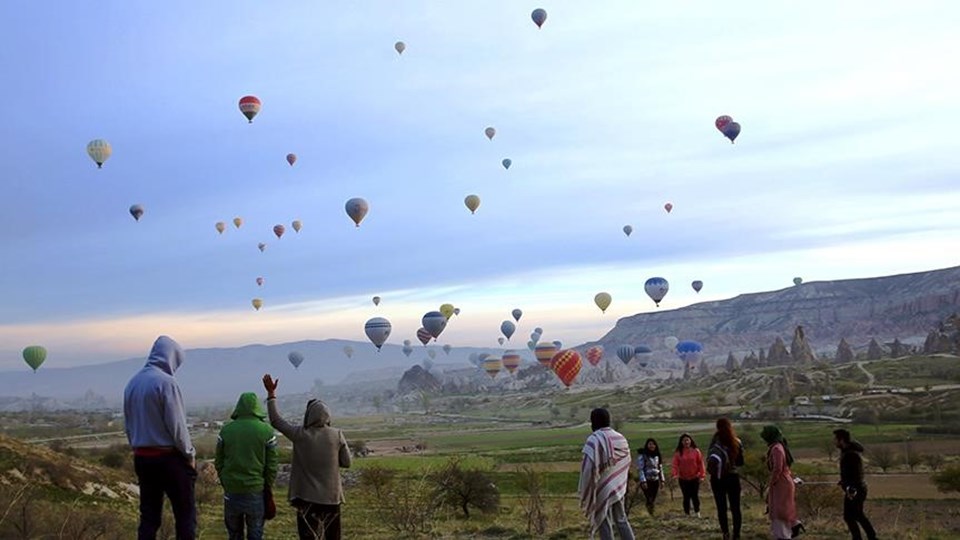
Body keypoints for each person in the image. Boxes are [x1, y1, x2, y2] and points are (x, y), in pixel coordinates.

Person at [123, 336, 196, 540]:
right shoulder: (166, 383)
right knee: (185, 516)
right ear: (171, 358)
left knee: (149, 517)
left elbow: (128, 425)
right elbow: (177, 426)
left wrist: (137, 448)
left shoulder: (133, 383)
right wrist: (189, 455)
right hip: (169, 459)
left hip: (143, 458)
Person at [262, 374, 351, 540]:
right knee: (333, 536)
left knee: (308, 535)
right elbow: (347, 462)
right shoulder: (337, 435)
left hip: (306, 498)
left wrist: (271, 394)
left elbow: (275, 421)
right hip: (331, 498)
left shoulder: (300, 434)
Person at [215, 392, 279, 540]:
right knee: (255, 532)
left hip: (231, 490)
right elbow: (272, 465)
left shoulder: (226, 430)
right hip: (255, 489)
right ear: (257, 408)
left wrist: (225, 481)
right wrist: (267, 486)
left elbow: (219, 462)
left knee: (234, 533)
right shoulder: (266, 431)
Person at [578, 408, 635, 540]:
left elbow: (588, 468)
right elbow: (626, 460)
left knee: (603, 520)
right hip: (619, 486)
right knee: (621, 519)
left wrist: (586, 487)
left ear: (593, 422)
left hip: (601, 487)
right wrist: (619, 479)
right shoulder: (620, 438)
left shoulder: (594, 440)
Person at [834, 429, 877, 540]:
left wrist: (850, 487)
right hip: (853, 487)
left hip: (855, 489)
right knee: (854, 515)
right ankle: (867, 537)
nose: (834, 442)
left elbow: (856, 473)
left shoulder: (851, 454)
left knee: (853, 515)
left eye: (835, 439)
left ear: (841, 440)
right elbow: (849, 473)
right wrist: (844, 481)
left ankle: (868, 537)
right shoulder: (847, 451)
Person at [761, 425, 803, 539]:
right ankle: (794, 525)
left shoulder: (776, 449)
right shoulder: (779, 447)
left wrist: (772, 482)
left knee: (778, 511)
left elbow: (777, 468)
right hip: (783, 481)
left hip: (781, 483)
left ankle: (783, 535)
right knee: (784, 508)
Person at [708, 418, 745, 540]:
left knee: (721, 508)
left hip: (717, 479)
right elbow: (740, 463)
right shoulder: (737, 442)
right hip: (733, 478)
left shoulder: (714, 442)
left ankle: (725, 534)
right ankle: (737, 535)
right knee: (735, 508)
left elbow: (709, 460)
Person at [671, 433, 705, 518]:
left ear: (690, 441)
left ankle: (697, 512)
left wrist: (702, 475)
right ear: (681, 442)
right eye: (684, 440)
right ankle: (687, 513)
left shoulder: (696, 451)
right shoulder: (678, 453)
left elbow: (701, 463)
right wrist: (675, 474)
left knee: (695, 496)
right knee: (686, 496)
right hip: (683, 479)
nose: (686, 442)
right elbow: (675, 464)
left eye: (687, 440)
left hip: (694, 477)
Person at [635, 438, 665, 515]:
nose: (652, 446)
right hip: (646, 480)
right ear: (647, 445)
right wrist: (643, 481)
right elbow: (640, 469)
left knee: (653, 498)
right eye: (650, 444)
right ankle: (650, 513)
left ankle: (651, 512)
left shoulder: (657, 455)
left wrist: (662, 480)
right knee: (649, 498)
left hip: (655, 480)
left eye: (653, 444)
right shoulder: (643, 456)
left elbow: (660, 468)